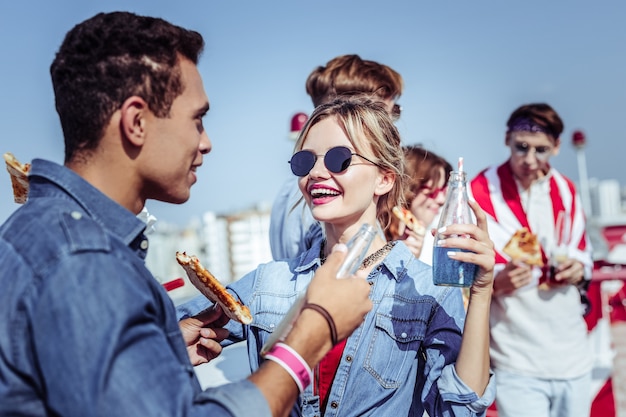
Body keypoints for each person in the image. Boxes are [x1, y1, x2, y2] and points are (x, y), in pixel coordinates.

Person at [0, 11, 373, 416]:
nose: (207, 142)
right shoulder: (84, 260)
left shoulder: (41, 232)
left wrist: (158, 352)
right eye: (197, 120)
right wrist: (313, 335)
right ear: (136, 122)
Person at [180, 96, 497, 416]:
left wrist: (482, 293)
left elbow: (460, 410)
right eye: (305, 161)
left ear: (384, 178)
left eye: (339, 159)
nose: (316, 172)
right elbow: (159, 329)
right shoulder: (267, 282)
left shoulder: (426, 289)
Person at [469, 103, 594, 417]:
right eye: (521, 147)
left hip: (573, 354)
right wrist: (495, 283)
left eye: (541, 150)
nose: (529, 159)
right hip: (516, 358)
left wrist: (579, 269)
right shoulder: (480, 191)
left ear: (557, 146)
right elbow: (462, 271)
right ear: (507, 138)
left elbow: (584, 253)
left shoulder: (566, 189)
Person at [269, 54, 403, 261]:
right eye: (382, 114)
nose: (392, 125)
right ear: (347, 109)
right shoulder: (325, 196)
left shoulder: (293, 189)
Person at [387, 145, 453, 264]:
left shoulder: (436, 245)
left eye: (443, 191)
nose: (441, 200)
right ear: (408, 186)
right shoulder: (372, 230)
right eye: (432, 190)